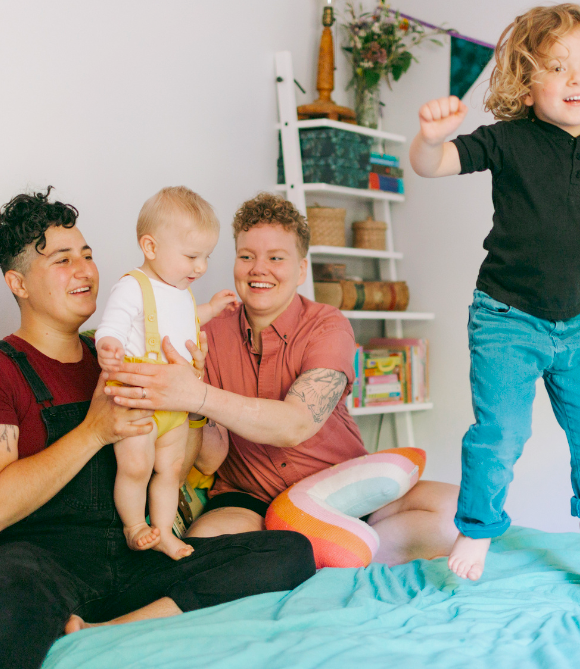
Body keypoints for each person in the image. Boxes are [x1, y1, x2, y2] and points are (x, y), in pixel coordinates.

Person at [0, 189, 315, 669]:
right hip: (38, 561)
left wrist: (187, 397)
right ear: (17, 283)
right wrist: (93, 430)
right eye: (61, 259)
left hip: (129, 556)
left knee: (288, 552)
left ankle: (106, 631)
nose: (84, 269)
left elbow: (189, 468)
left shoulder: (122, 353)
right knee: (4, 582)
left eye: (87, 254)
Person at [408, 4, 580, 585]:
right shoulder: (509, 141)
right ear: (526, 81)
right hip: (507, 319)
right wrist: (430, 139)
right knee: (501, 434)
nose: (577, 79)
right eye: (558, 68)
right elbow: (435, 166)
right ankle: (478, 530)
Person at [105, 193, 459, 566]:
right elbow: (208, 463)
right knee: (202, 549)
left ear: (301, 269)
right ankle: (329, 556)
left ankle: (335, 552)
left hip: (343, 491)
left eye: (276, 258)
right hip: (251, 500)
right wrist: (189, 405)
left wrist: (197, 395)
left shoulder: (328, 324)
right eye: (246, 257)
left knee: (454, 514)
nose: (259, 269)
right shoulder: (205, 330)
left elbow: (296, 424)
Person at [94, 186, 235, 558]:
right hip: (139, 397)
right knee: (137, 466)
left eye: (206, 257)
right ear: (151, 247)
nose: (201, 267)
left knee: (170, 472)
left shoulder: (181, 293)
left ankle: (164, 532)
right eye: (192, 256)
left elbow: (187, 319)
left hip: (176, 402)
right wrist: (108, 344)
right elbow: (115, 323)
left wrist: (212, 308)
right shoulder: (132, 286)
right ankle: (134, 526)